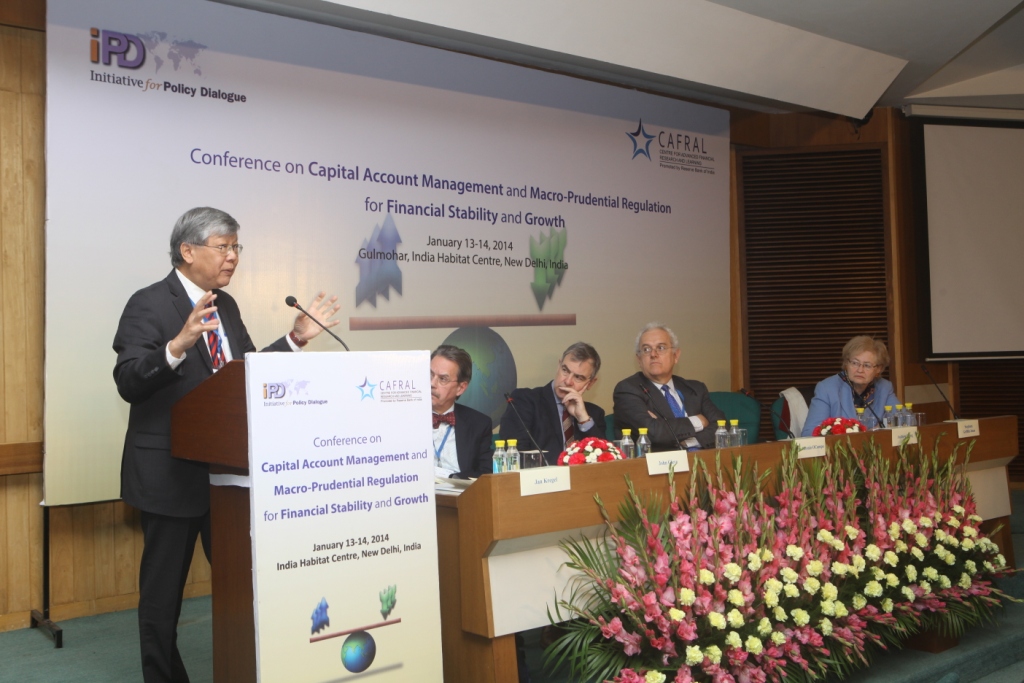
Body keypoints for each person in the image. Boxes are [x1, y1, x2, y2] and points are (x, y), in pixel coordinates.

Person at [113, 207, 341, 683]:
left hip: (228, 475)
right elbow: (129, 380)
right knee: (162, 600)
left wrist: (295, 339)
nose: (233, 256)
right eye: (224, 247)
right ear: (187, 250)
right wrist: (177, 345)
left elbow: (245, 375)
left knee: (246, 584)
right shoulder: (148, 303)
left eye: (237, 247)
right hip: (169, 474)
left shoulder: (226, 306)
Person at [613, 323, 724, 451]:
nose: (653, 354)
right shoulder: (627, 390)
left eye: (661, 347)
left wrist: (688, 442)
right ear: (639, 359)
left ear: (675, 355)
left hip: (703, 461)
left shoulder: (696, 389)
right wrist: (698, 421)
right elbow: (653, 433)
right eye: (646, 349)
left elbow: (722, 427)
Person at [499, 342, 606, 464]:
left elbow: (606, 462)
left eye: (578, 377)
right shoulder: (525, 401)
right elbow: (516, 455)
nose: (568, 381)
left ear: (591, 383)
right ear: (558, 365)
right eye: (565, 370)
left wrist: (583, 419)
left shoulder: (594, 414)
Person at [801, 335, 900, 436]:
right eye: (855, 363)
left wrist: (882, 428)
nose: (860, 370)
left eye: (867, 365)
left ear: (878, 369)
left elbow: (902, 421)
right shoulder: (827, 389)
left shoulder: (884, 388)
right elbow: (809, 433)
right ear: (846, 364)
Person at [430, 345, 494, 478]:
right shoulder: (405, 419)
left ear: (461, 388)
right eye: (430, 375)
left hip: (461, 490)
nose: (432, 383)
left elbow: (485, 473)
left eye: (442, 379)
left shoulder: (479, 424)